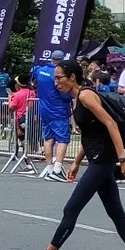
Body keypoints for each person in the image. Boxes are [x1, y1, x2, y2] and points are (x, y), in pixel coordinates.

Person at [16, 60, 125, 250]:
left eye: (59, 77)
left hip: (103, 161)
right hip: (99, 158)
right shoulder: (77, 98)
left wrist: (123, 159)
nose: (56, 82)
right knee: (116, 212)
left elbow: (111, 125)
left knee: (71, 210)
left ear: (72, 77)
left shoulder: (86, 96)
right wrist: (77, 161)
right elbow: (91, 135)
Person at [32, 51, 73, 182]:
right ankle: (56, 170)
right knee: (63, 139)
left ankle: (50, 169)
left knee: (48, 138)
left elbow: (33, 72)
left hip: (44, 108)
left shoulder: (40, 71)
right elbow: (64, 93)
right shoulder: (57, 74)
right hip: (58, 110)